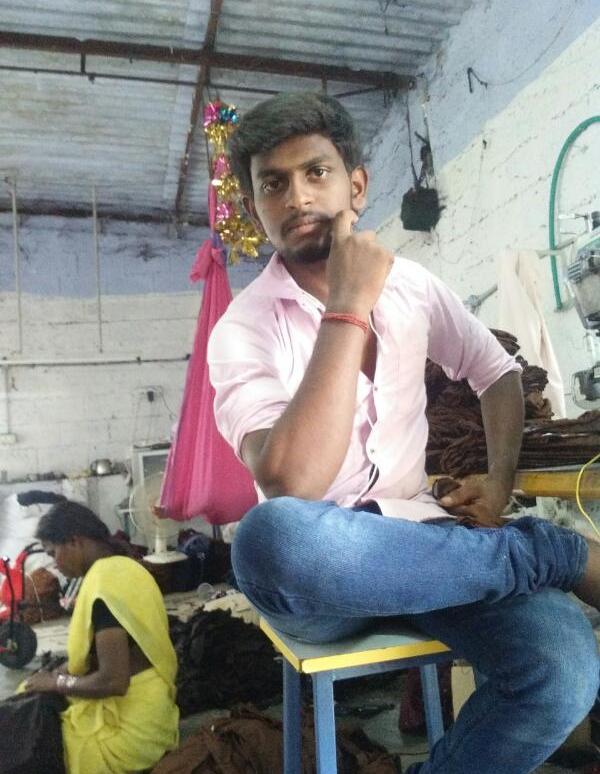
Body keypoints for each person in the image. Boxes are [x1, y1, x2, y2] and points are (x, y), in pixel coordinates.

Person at [207, 92, 600, 773]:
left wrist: (500, 481)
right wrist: (349, 304)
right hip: (324, 572)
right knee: (270, 539)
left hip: (426, 544)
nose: (297, 197)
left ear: (356, 185)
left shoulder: (413, 286)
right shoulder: (242, 328)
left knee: (560, 666)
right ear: (254, 206)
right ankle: (555, 553)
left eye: (316, 172)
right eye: (273, 184)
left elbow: (497, 373)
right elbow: (292, 480)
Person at [22, 500, 179, 774]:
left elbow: (113, 681)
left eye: (53, 552)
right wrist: (61, 673)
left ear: (75, 541)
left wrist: (57, 682)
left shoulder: (105, 582)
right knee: (28, 703)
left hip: (130, 732)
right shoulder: (126, 568)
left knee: (26, 742)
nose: (54, 564)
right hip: (156, 710)